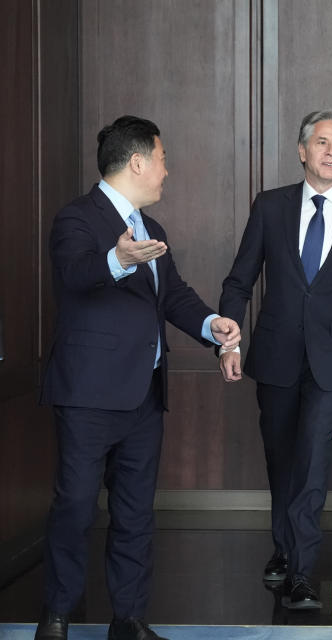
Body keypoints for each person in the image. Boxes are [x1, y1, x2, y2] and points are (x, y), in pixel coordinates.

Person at [36, 115, 242, 640]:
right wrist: (117, 259)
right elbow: (75, 275)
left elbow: (170, 294)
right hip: (88, 396)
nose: (167, 171)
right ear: (137, 162)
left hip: (144, 397)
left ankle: (128, 620)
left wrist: (211, 326)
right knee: (76, 506)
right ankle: (56, 615)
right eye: (163, 158)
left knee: (134, 514)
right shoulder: (77, 219)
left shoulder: (155, 230)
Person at [218, 110, 332, 609]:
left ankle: (300, 570)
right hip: (274, 354)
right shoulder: (271, 206)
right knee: (281, 459)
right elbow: (239, 279)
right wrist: (227, 341)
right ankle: (284, 546)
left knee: (314, 459)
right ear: (302, 151)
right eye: (322, 143)